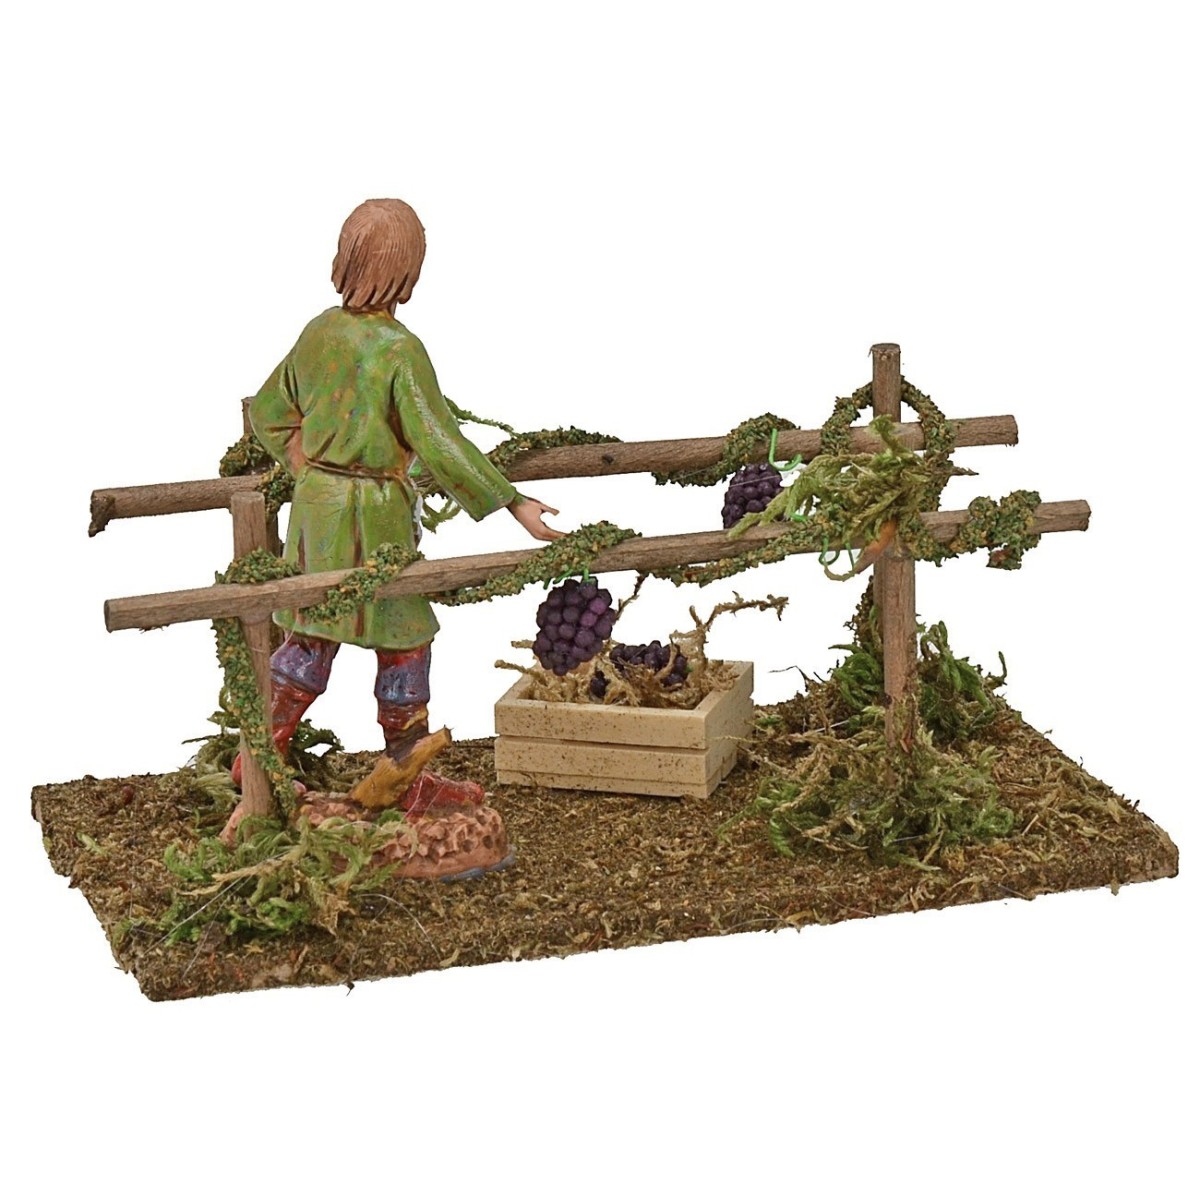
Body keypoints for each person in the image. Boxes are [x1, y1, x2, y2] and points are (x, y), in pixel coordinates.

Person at [226, 198, 561, 844]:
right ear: (406, 271)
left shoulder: (318, 333)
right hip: (375, 519)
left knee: (310, 635)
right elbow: (439, 440)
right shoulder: (400, 351)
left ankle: (266, 755)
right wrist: (510, 501)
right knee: (404, 638)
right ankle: (399, 775)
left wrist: (305, 464)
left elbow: (269, 410)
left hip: (318, 512)